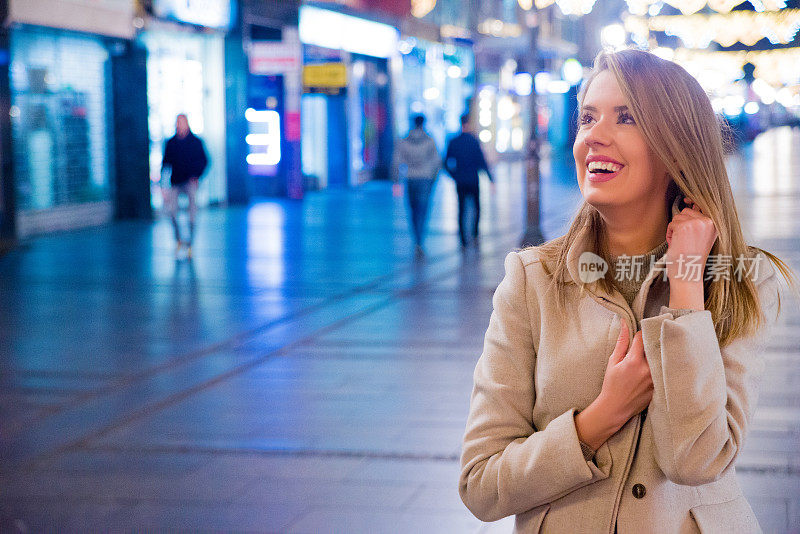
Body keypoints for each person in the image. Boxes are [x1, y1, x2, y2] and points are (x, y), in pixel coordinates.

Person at [459, 49, 793, 532]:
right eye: (588, 117)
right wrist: (598, 419)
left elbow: (696, 460)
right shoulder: (532, 281)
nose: (595, 135)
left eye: (626, 117)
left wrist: (685, 289)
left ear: (677, 146)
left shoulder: (744, 280)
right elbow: (481, 484)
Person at [394, 114, 442, 255]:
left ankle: (416, 238)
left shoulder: (404, 140)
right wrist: (434, 178)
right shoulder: (429, 140)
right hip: (425, 178)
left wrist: (396, 179)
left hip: (410, 178)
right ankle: (420, 239)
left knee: (413, 209)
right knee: (423, 209)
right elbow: (436, 161)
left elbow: (397, 160)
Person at [162, 114, 208, 258]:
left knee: (192, 213)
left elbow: (205, 161)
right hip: (175, 181)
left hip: (190, 181)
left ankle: (190, 243)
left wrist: (196, 176)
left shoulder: (195, 142)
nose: (180, 125)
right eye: (178, 122)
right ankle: (179, 240)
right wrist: (163, 186)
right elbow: (165, 164)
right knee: (171, 211)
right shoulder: (171, 143)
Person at [444, 114, 493, 248]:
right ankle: (475, 233)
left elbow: (446, 162)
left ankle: (463, 238)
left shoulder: (454, 141)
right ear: (469, 123)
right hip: (473, 180)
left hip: (460, 181)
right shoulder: (473, 140)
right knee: (477, 207)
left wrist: (454, 175)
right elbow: (481, 161)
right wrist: (490, 178)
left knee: (461, 208)